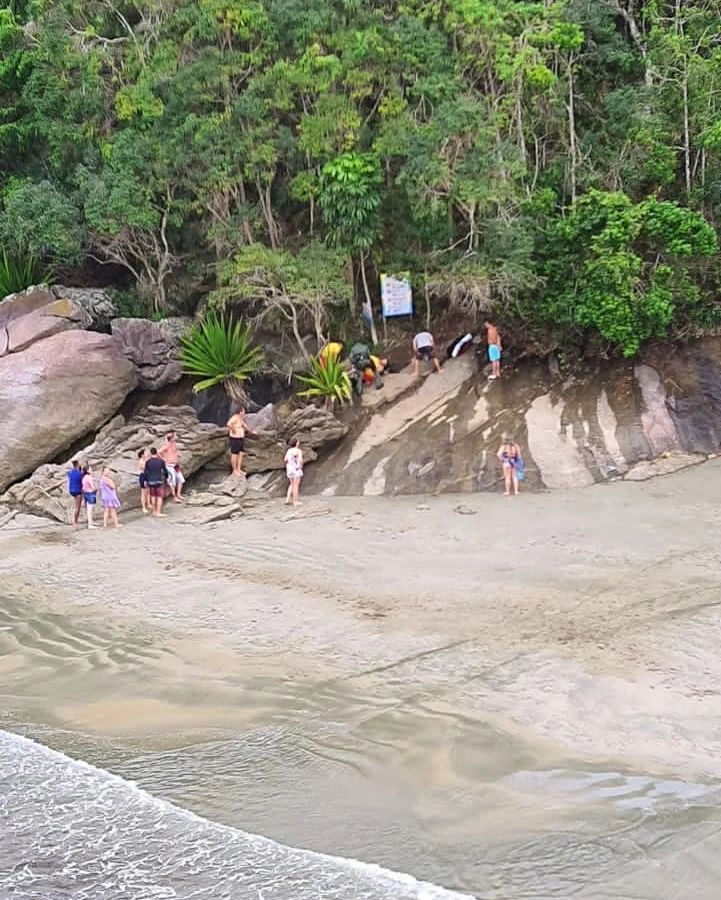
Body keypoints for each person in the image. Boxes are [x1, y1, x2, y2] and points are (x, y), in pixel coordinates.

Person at [227, 406, 256, 476]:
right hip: (235, 439)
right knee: (234, 454)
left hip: (240, 439)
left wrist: (252, 432)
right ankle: (234, 470)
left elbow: (245, 426)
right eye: (243, 411)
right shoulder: (235, 417)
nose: (244, 413)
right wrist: (233, 430)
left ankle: (239, 469)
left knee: (241, 453)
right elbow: (229, 424)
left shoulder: (240, 419)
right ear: (240, 412)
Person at [159, 431, 183, 502]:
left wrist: (178, 455)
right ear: (172, 438)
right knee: (172, 481)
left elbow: (174, 451)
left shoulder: (174, 444)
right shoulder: (167, 445)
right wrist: (164, 459)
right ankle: (174, 497)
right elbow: (158, 452)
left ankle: (178, 494)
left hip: (176, 465)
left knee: (181, 479)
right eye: (175, 436)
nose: (177, 436)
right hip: (169, 465)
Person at [144, 447, 168, 517]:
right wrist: (166, 477)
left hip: (150, 481)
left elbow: (146, 472)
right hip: (159, 481)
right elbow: (165, 471)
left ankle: (154, 511)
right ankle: (158, 512)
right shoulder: (161, 461)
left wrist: (146, 480)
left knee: (153, 496)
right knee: (160, 496)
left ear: (151, 453)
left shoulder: (148, 462)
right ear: (156, 452)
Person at [284, 437, 304, 507]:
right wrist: (300, 465)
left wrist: (290, 463)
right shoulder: (298, 451)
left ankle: (287, 499)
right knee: (296, 485)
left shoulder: (288, 450)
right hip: (296, 469)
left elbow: (285, 460)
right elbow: (300, 460)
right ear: (296, 443)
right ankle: (295, 501)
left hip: (289, 469)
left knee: (292, 484)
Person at [67, 460, 84, 528]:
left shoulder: (70, 472)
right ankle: (75, 522)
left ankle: (75, 521)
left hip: (71, 490)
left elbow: (69, 475)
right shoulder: (80, 473)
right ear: (78, 465)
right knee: (78, 507)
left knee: (76, 506)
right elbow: (82, 481)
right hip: (77, 490)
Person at [81, 465, 97, 529]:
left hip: (86, 493)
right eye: (90, 469)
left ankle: (91, 522)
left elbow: (83, 487)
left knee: (88, 509)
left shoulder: (84, 477)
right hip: (90, 493)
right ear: (87, 470)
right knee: (89, 510)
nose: (91, 470)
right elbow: (93, 487)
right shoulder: (89, 477)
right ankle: (90, 525)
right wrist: (96, 489)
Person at [137, 449, 150, 514]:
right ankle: (143, 507)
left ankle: (148, 504)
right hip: (143, 477)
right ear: (142, 455)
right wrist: (145, 480)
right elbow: (145, 470)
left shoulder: (145, 460)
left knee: (148, 491)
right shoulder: (141, 461)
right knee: (143, 493)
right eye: (145, 453)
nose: (147, 454)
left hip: (147, 476)